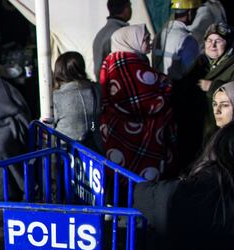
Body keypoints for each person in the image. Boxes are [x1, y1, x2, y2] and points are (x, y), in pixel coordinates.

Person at [100, 25, 176, 181]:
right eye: (145, 39)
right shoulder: (128, 63)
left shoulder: (114, 60)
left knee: (120, 174)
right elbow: (143, 100)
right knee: (138, 178)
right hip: (136, 135)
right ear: (131, 41)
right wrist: (165, 89)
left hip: (117, 131)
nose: (150, 42)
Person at [177, 22, 234, 157]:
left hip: (218, 131)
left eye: (218, 41)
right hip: (196, 126)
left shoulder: (231, 65)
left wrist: (213, 86)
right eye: (209, 40)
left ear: (229, 43)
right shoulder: (200, 62)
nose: (212, 45)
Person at [51, 52, 102, 148]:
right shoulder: (96, 89)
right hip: (94, 147)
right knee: (93, 124)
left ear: (59, 71)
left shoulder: (57, 97)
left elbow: (50, 124)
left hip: (65, 151)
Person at [153, 0, 202, 80]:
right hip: (180, 88)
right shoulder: (187, 39)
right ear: (189, 12)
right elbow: (194, 71)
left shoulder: (160, 34)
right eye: (195, 11)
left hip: (160, 86)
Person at [92, 0, 132, 82]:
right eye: (129, 6)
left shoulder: (100, 34)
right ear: (126, 9)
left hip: (105, 85)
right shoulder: (120, 33)